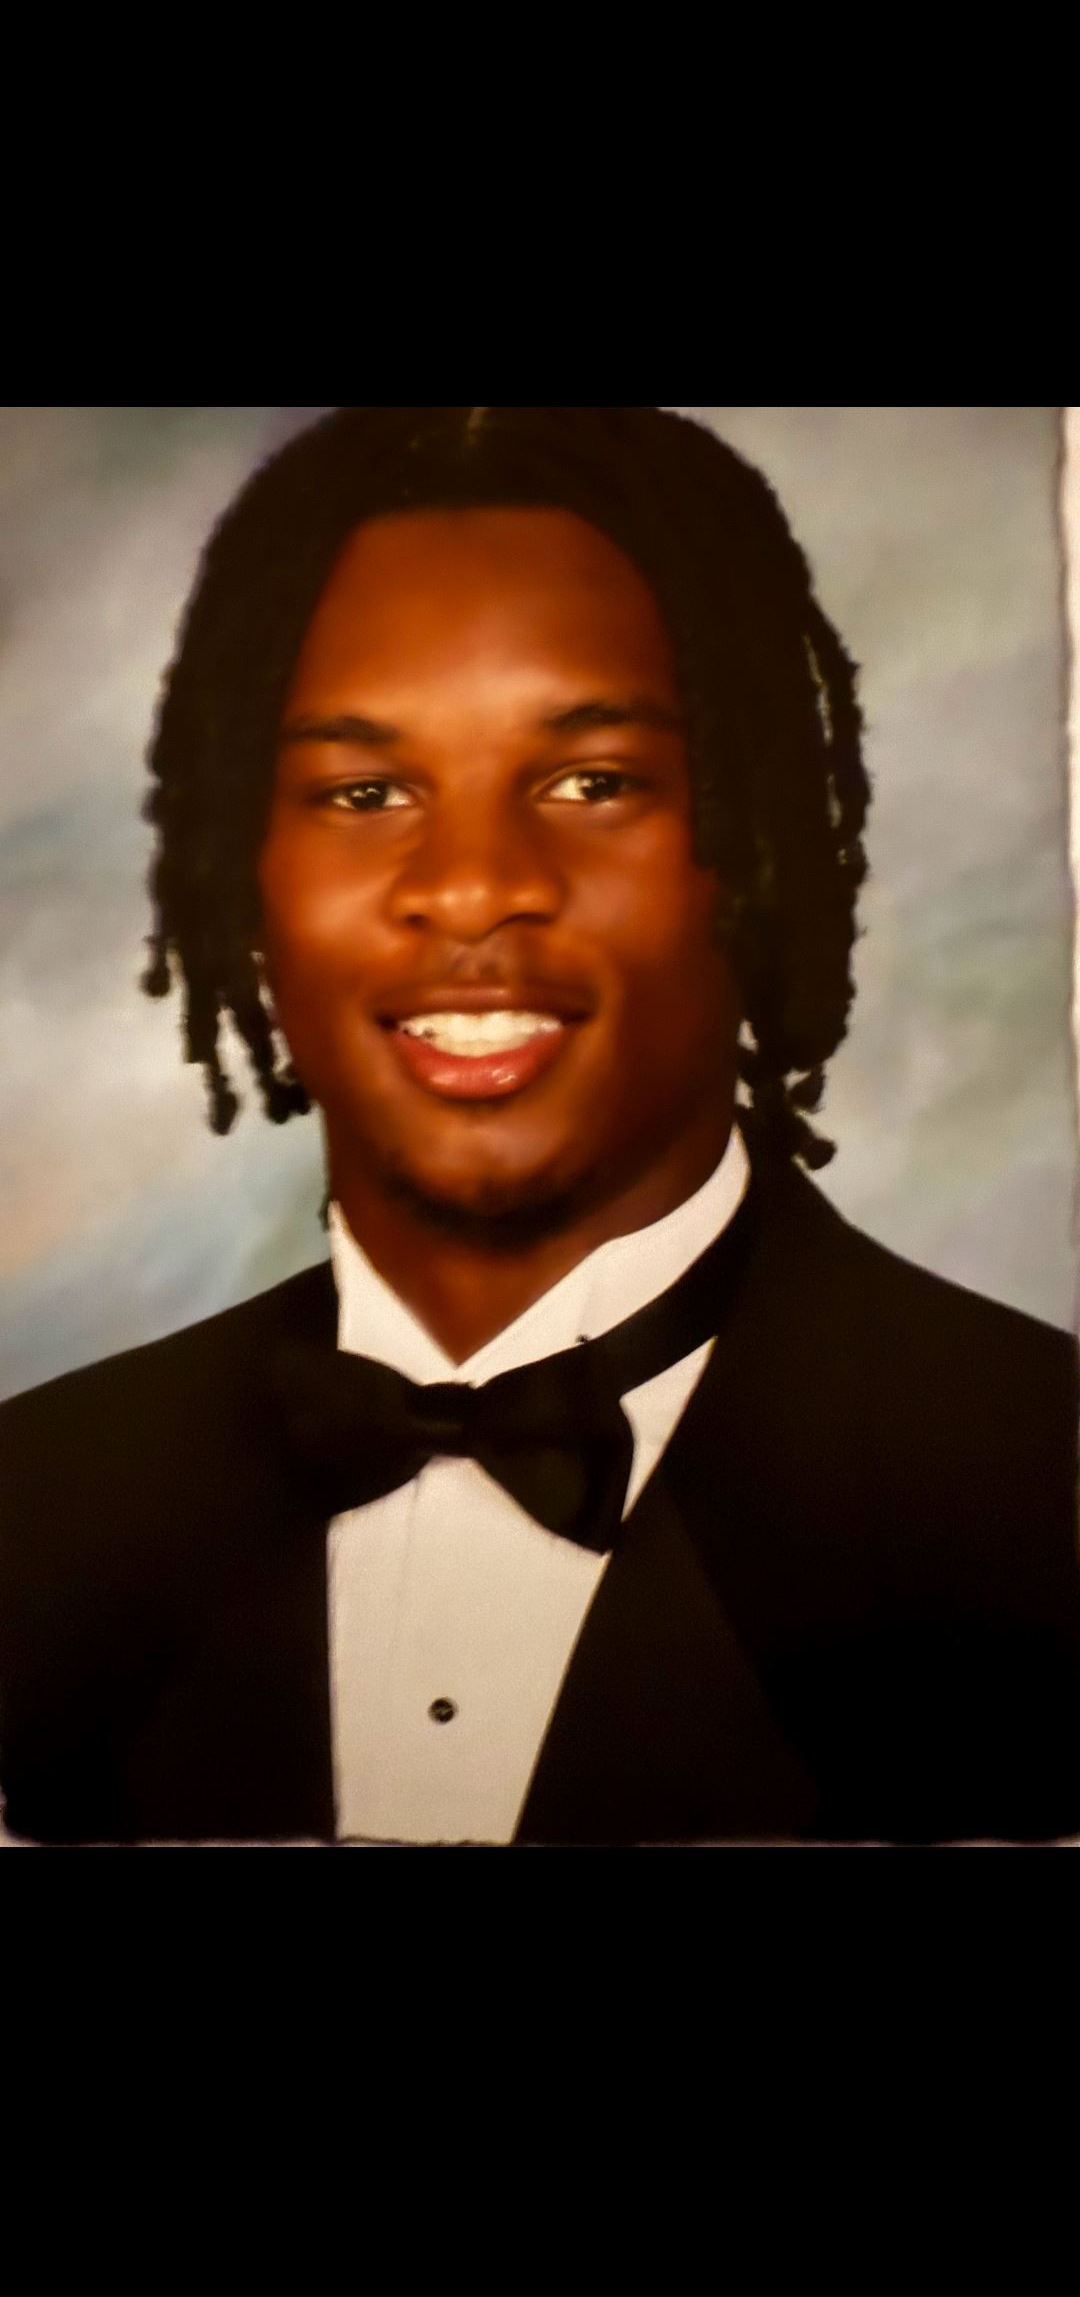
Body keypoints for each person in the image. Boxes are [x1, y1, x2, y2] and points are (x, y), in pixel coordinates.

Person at [2, 403, 1079, 1849]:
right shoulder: (38, 1511)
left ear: (756, 850)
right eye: (365, 791)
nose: (470, 886)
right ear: (241, 875)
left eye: (591, 782)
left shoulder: (1038, 1491)